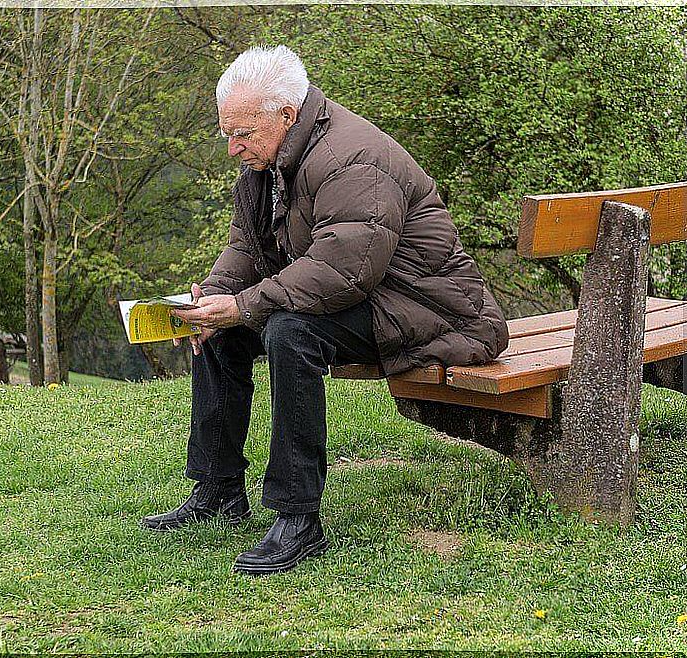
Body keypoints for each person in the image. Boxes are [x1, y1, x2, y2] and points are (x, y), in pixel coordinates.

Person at [141, 46, 509, 575]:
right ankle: (219, 489)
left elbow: (344, 271)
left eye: (241, 133)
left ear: (286, 116)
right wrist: (214, 298)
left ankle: (298, 517)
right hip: (368, 297)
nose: (232, 148)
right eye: (226, 133)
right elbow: (249, 248)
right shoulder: (270, 159)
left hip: (428, 307)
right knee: (220, 332)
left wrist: (244, 305)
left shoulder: (352, 158)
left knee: (291, 331)